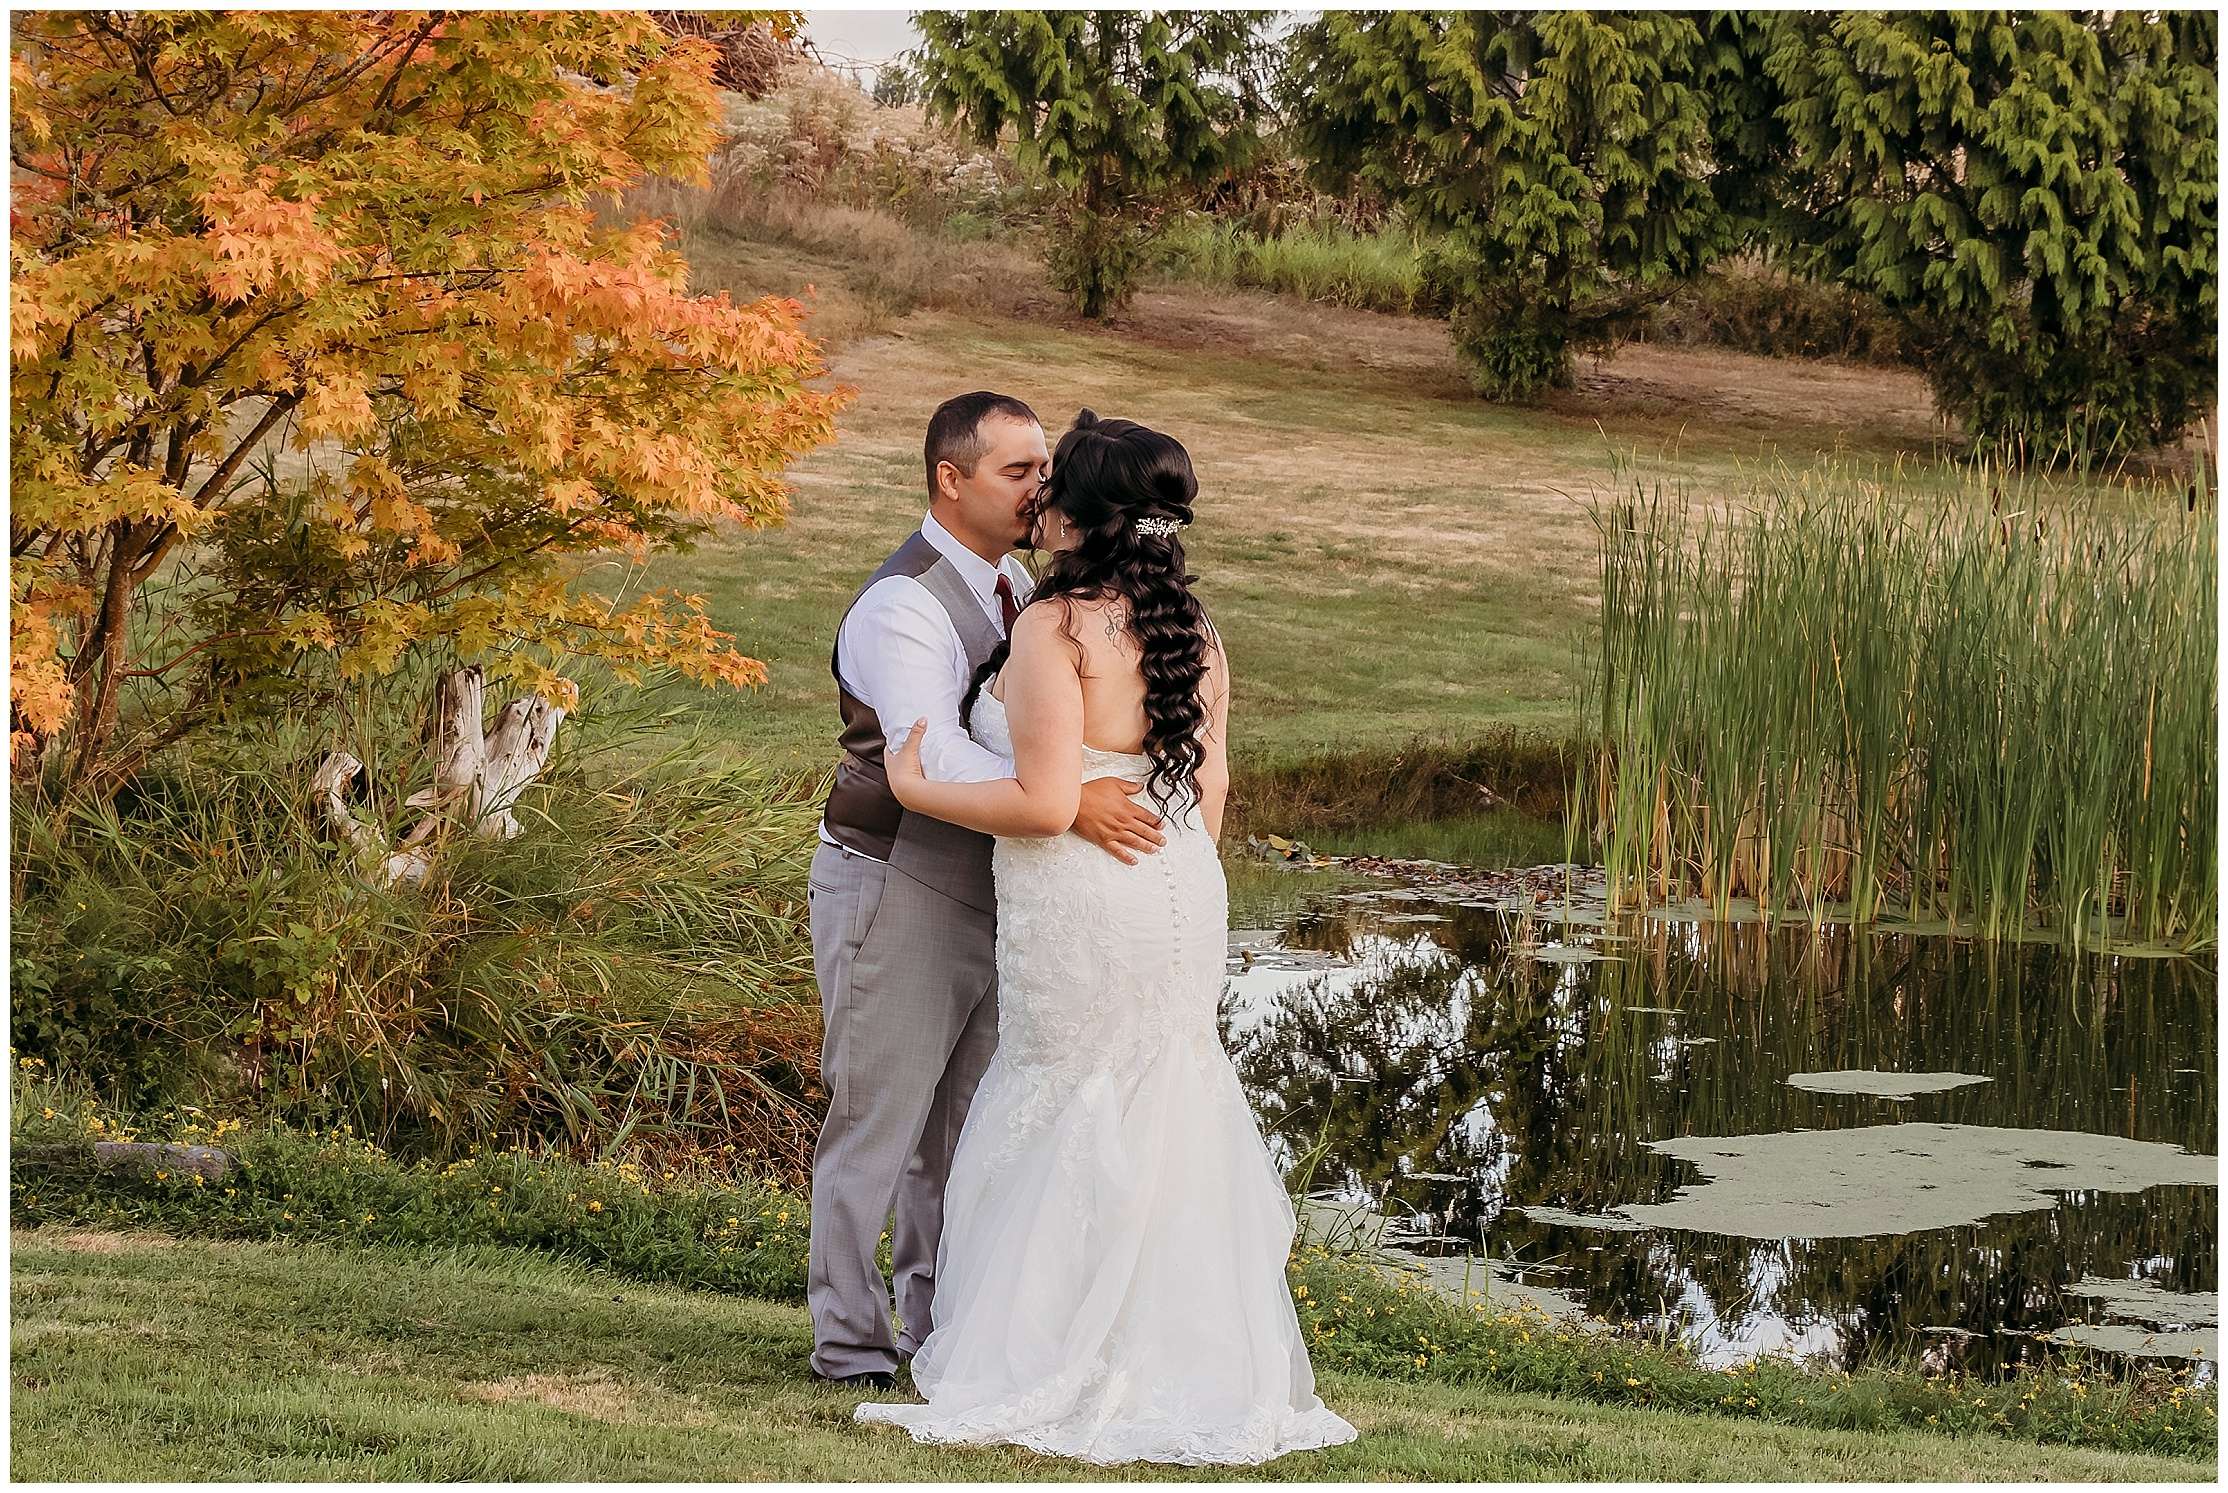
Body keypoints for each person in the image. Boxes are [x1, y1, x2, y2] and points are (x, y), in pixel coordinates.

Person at [852, 410, 1358, 1465]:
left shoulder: (1056, 627)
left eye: (1050, 486)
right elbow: (1208, 794)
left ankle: (1045, 1352)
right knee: (1164, 1094)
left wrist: (912, 780)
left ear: (1080, 514)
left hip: (1085, 891)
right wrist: (1162, 853)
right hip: (1176, 883)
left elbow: (1043, 803)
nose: (1034, 499)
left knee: (1066, 1090)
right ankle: (1182, 1352)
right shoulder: (1194, 625)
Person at [805, 392, 1166, 1388]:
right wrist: (1067, 801)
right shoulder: (902, 605)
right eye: (1016, 470)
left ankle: (937, 1329)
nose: (1039, 488)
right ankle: (847, 1341)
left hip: (1002, 895)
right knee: (877, 1121)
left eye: (1044, 469)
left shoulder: (1017, 586)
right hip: (897, 883)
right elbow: (938, 749)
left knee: (963, 1135)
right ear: (948, 478)